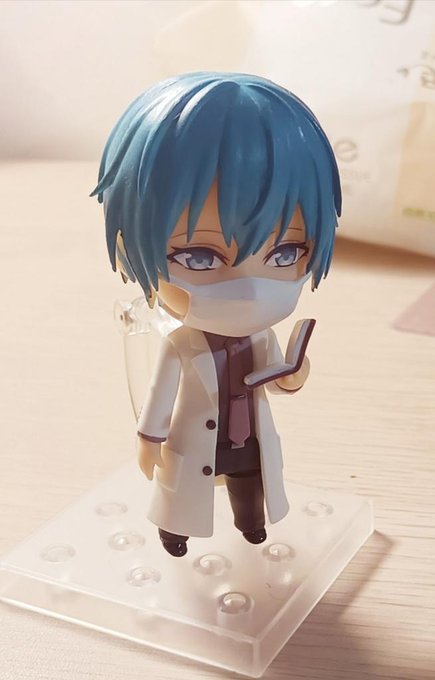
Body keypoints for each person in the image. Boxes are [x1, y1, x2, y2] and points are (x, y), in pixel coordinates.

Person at [91, 72, 341, 557]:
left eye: (286, 253)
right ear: (128, 247)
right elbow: (159, 397)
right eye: (199, 258)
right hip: (195, 438)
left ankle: (251, 526)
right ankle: (174, 533)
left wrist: (294, 374)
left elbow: (277, 377)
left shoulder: (261, 337)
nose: (249, 290)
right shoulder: (180, 344)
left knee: (251, 484)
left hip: (248, 441)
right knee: (182, 493)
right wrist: (149, 439)